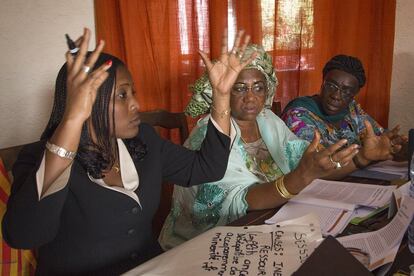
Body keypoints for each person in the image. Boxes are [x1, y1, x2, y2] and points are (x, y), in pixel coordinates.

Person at [1, 28, 255, 275]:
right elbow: (24, 235)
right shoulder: (41, 159)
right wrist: (72, 120)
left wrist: (221, 96)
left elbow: (206, 167)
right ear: (87, 102)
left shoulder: (143, 141)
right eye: (122, 95)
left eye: (132, 92)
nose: (136, 104)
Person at [159, 45, 360, 250]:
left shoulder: (268, 119)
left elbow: (305, 159)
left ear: (268, 89)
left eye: (258, 87)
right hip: (211, 243)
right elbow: (244, 200)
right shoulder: (207, 136)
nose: (251, 98)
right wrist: (301, 176)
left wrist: (362, 158)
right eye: (239, 88)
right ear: (224, 91)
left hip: (268, 222)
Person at [281, 54, 408, 167]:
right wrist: (364, 156)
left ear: (355, 94)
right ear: (322, 83)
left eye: (347, 91)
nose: (336, 96)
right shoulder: (298, 115)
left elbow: (379, 140)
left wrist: (397, 148)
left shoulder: (352, 110)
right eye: (331, 85)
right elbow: (314, 166)